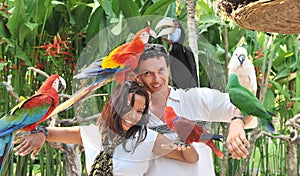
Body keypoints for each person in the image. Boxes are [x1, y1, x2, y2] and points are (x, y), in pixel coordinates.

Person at [14, 44, 252, 175]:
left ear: (169, 68)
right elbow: (88, 133)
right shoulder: (133, 114)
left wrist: (236, 124)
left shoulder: (197, 98)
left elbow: (243, 108)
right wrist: (43, 133)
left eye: (161, 70)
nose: (156, 79)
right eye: (147, 72)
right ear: (137, 75)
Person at [14, 81, 198, 175]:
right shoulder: (93, 133)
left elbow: (189, 158)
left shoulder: (147, 139)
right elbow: (48, 133)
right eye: (128, 108)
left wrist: (185, 145)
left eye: (140, 111)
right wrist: (40, 135)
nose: (133, 116)